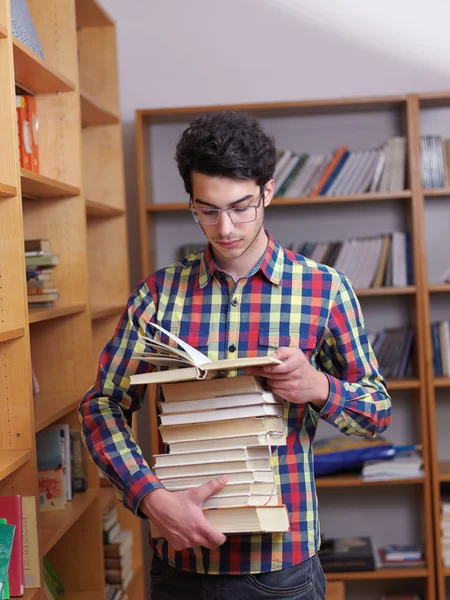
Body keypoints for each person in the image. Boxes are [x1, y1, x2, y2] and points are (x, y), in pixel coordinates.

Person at [78, 109, 392, 600]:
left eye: (241, 207)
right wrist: (149, 497)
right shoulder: (158, 295)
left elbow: (376, 414)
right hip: (180, 566)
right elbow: (101, 406)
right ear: (192, 203)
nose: (225, 227)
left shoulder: (325, 289)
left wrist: (319, 387)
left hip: (283, 571)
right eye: (207, 210)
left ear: (267, 191)